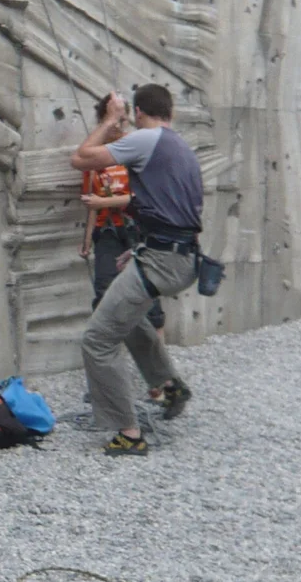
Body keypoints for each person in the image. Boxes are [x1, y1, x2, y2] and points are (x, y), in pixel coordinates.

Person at [68, 85, 204, 456]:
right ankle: (170, 385)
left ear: (140, 113)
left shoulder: (147, 140)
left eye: (130, 117)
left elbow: (80, 158)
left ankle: (128, 433)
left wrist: (111, 119)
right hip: (177, 256)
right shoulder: (177, 145)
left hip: (163, 259)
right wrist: (142, 250)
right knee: (120, 314)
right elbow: (162, 206)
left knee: (97, 339)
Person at [79, 97, 165, 335]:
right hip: (106, 230)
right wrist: (86, 241)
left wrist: (103, 201)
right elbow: (91, 201)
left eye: (122, 119)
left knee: (149, 293)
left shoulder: (136, 148)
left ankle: (161, 365)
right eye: (113, 119)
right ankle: (108, 354)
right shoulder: (95, 156)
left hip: (137, 228)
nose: (118, 125)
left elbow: (140, 197)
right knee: (104, 292)